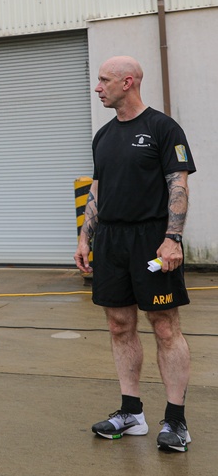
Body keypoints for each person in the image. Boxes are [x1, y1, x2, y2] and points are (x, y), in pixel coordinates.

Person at [75, 56, 197, 453]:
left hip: (152, 240)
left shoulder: (162, 128)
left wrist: (172, 238)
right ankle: (131, 414)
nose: (98, 87)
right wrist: (84, 237)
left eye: (104, 80)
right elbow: (97, 190)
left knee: (164, 326)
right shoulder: (103, 136)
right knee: (118, 325)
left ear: (127, 82)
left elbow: (178, 185)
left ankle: (176, 422)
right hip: (110, 241)